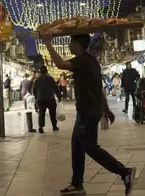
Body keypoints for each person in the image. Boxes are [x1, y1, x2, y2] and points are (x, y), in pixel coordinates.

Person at [42, 33, 135, 196]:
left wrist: (48, 43)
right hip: (89, 110)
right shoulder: (92, 61)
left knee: (90, 147)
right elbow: (98, 88)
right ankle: (77, 184)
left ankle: (124, 172)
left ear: (77, 43)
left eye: (71, 42)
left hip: (87, 111)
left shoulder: (82, 60)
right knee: (77, 145)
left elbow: (59, 63)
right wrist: (106, 109)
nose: (69, 46)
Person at [32, 65, 60, 133]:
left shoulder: (37, 80)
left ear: (40, 72)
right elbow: (56, 88)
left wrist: (36, 97)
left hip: (41, 99)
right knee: (52, 113)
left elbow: (34, 90)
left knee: (41, 113)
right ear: (46, 71)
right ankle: (54, 127)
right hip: (50, 98)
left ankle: (40, 127)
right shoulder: (50, 78)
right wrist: (59, 96)